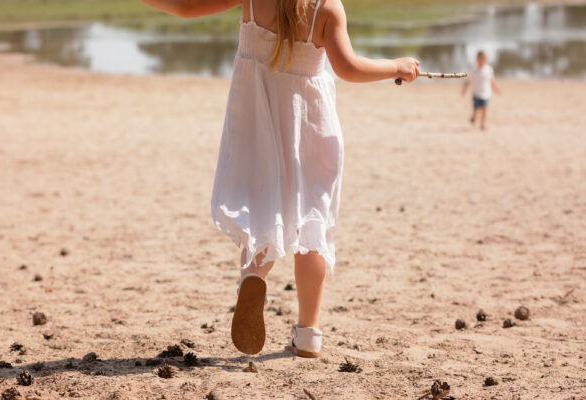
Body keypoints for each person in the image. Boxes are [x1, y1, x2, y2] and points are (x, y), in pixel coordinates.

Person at [141, 0, 420, 357]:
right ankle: (308, 334)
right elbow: (348, 67)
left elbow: (188, 5)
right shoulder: (327, 8)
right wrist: (395, 66)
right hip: (312, 126)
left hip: (256, 121)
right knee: (312, 223)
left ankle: (254, 277)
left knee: (262, 206)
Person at [462, 50, 501, 130]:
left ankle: (482, 124)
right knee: (476, 109)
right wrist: (464, 90)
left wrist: (495, 89)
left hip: (486, 93)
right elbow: (468, 81)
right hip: (476, 93)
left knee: (485, 109)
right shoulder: (473, 70)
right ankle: (474, 116)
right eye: (480, 59)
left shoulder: (488, 69)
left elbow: (491, 81)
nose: (482, 61)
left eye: (484, 59)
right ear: (477, 59)